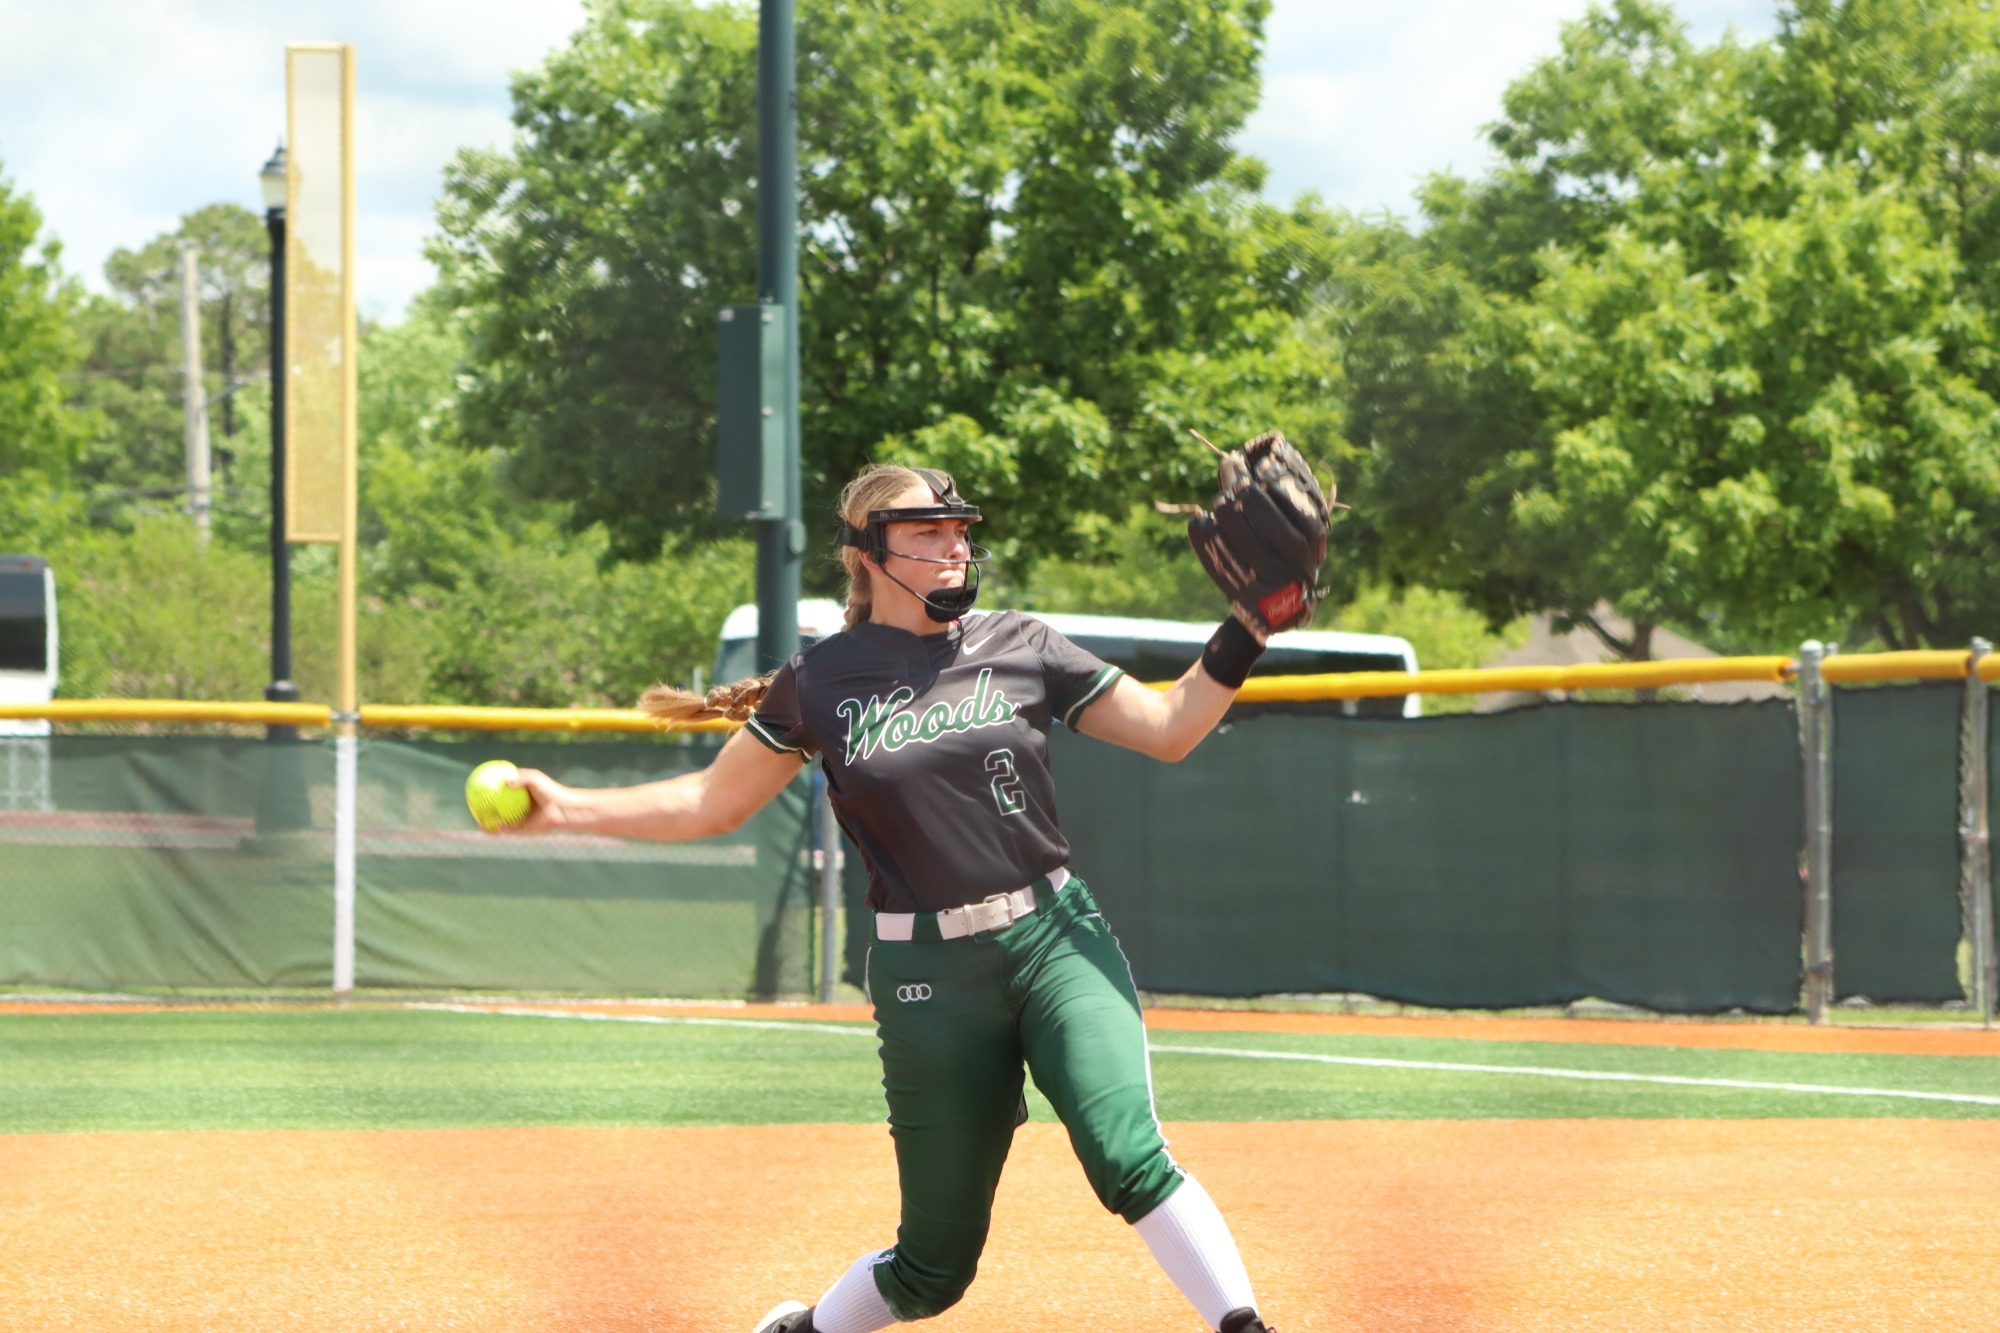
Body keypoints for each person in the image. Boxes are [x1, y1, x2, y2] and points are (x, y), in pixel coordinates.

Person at [501, 464, 1280, 1333]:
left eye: (959, 531)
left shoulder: (1021, 641)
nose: (955, 547)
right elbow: (710, 803)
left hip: (1056, 937)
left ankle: (1245, 1326)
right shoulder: (820, 681)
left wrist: (1248, 626)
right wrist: (565, 806)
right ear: (867, 554)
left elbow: (1170, 728)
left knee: (1127, 1154)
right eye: (928, 533)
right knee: (933, 1267)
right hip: (929, 976)